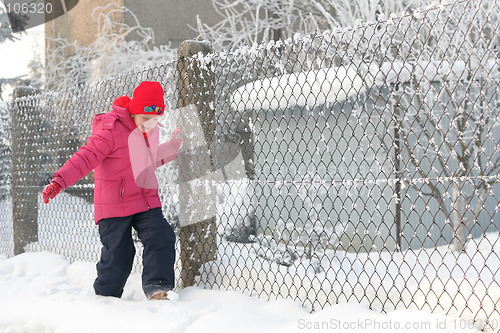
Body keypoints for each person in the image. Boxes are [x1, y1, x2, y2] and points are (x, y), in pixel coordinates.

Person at [42, 81, 183, 300]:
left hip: (145, 200)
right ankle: (106, 297)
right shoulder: (110, 130)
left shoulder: (150, 130)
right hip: (114, 204)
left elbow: (147, 161)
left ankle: (158, 289)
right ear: (134, 112)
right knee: (120, 253)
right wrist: (60, 180)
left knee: (161, 235)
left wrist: (171, 149)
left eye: (156, 119)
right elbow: (86, 157)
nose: (151, 124)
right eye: (146, 119)